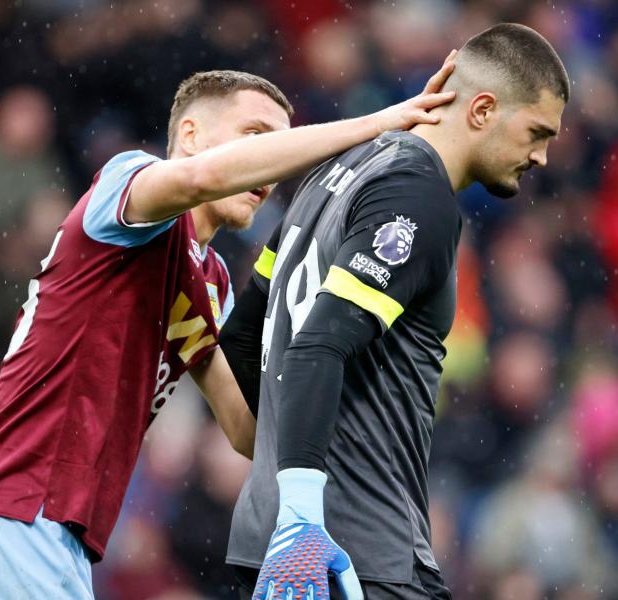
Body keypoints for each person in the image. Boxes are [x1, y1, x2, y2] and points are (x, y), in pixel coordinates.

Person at [0, 66, 458, 599]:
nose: (269, 168)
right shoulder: (126, 185)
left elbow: (245, 429)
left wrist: (342, 392)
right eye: (257, 137)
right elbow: (203, 178)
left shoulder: (214, 282)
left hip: (57, 541)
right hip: (11, 516)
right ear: (190, 136)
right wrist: (379, 125)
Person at [220, 23, 570, 600]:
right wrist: (306, 515)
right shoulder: (418, 194)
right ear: (482, 109)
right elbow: (318, 344)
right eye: (536, 132)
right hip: (357, 558)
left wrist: (284, 482)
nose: (542, 155)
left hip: (273, 551)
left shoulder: (329, 177)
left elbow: (240, 338)